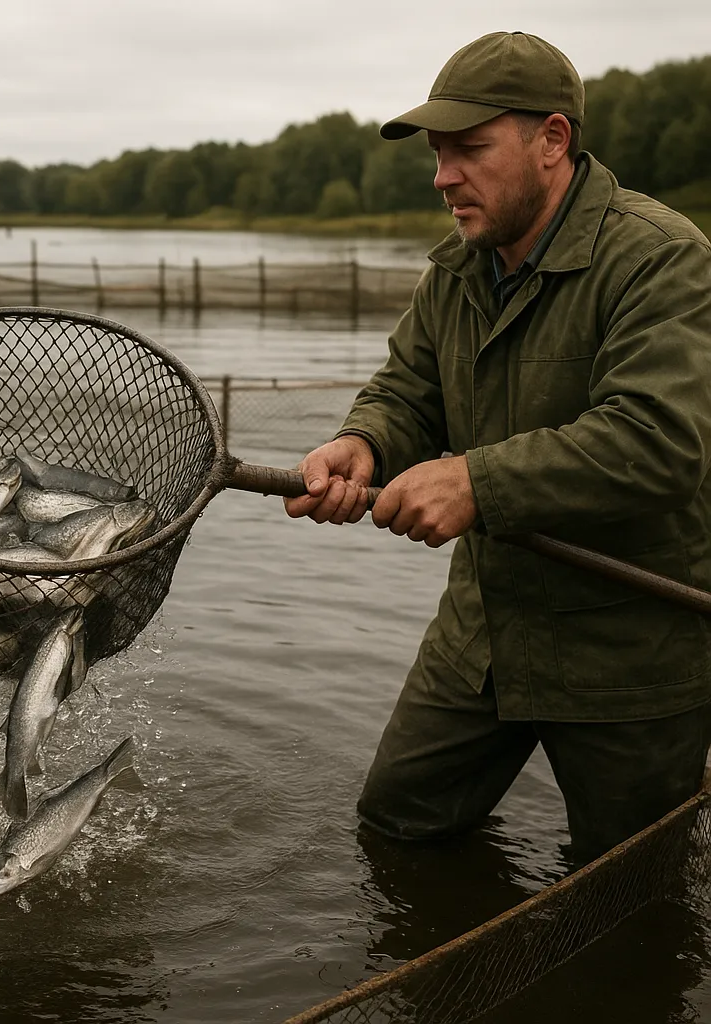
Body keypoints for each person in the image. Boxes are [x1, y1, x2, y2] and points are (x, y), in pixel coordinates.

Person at [285, 30, 711, 867]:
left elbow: (659, 439)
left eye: (469, 151)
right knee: (397, 826)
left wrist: (477, 480)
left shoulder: (664, 260)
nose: (444, 177)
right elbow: (408, 390)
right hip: (482, 632)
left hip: (631, 650)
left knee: (625, 890)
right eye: (439, 155)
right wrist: (363, 442)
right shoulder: (455, 270)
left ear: (552, 141)